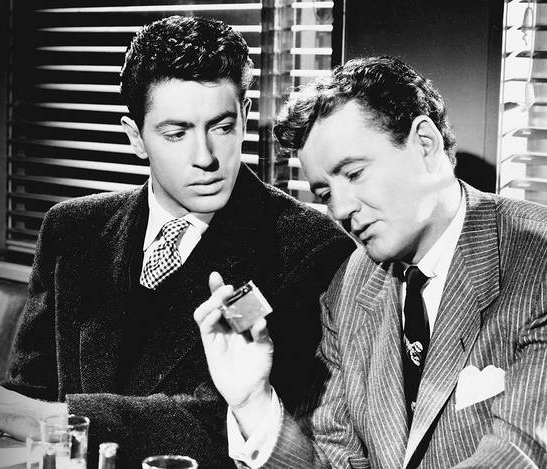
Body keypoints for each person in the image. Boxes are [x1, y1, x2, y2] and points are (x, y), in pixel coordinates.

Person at [0, 15, 354, 468]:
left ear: (245, 115)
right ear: (136, 138)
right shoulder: (71, 230)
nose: (205, 158)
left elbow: (241, 422)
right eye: (176, 134)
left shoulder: (309, 248)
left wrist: (64, 418)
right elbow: (30, 392)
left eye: (222, 127)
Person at [194, 55, 547, 468]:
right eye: (325, 194)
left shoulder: (537, 262)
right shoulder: (347, 287)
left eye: (355, 174)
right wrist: (252, 402)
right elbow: (328, 460)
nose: (341, 209)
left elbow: (517, 455)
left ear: (425, 144)